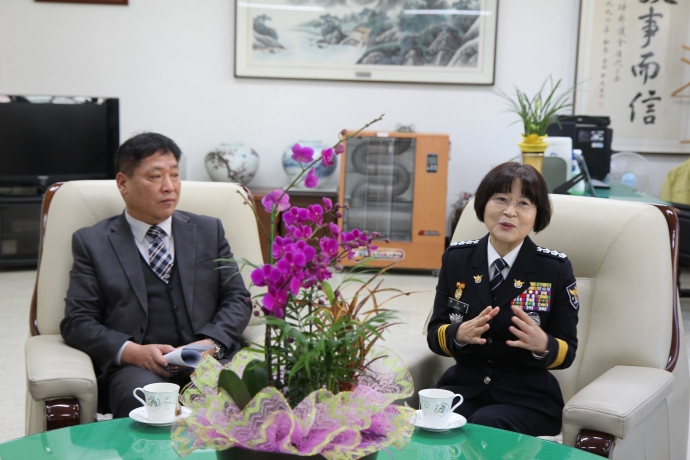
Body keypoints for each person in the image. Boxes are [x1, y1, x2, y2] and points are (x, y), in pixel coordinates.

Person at [60, 132, 252, 418]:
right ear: (123, 183)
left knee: (243, 393)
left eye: (174, 175)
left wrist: (211, 343)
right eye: (155, 176)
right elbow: (77, 322)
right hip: (137, 369)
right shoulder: (93, 242)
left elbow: (237, 298)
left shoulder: (208, 231)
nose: (169, 187)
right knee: (140, 401)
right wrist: (131, 351)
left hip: (210, 360)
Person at [427, 162, 579, 436]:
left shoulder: (554, 269)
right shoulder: (457, 259)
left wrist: (542, 344)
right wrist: (458, 334)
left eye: (523, 203)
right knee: (438, 423)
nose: (510, 211)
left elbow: (567, 350)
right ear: (483, 204)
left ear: (537, 214)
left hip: (528, 398)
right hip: (464, 388)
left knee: (484, 424)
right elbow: (435, 332)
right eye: (501, 199)